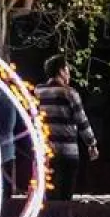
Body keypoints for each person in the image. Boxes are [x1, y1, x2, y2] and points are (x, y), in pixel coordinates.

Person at [35, 55, 100, 208]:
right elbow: (82, 121)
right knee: (65, 195)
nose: (69, 74)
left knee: (49, 194)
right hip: (67, 153)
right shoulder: (70, 93)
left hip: (46, 153)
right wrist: (91, 144)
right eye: (67, 70)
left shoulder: (37, 92)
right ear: (61, 71)